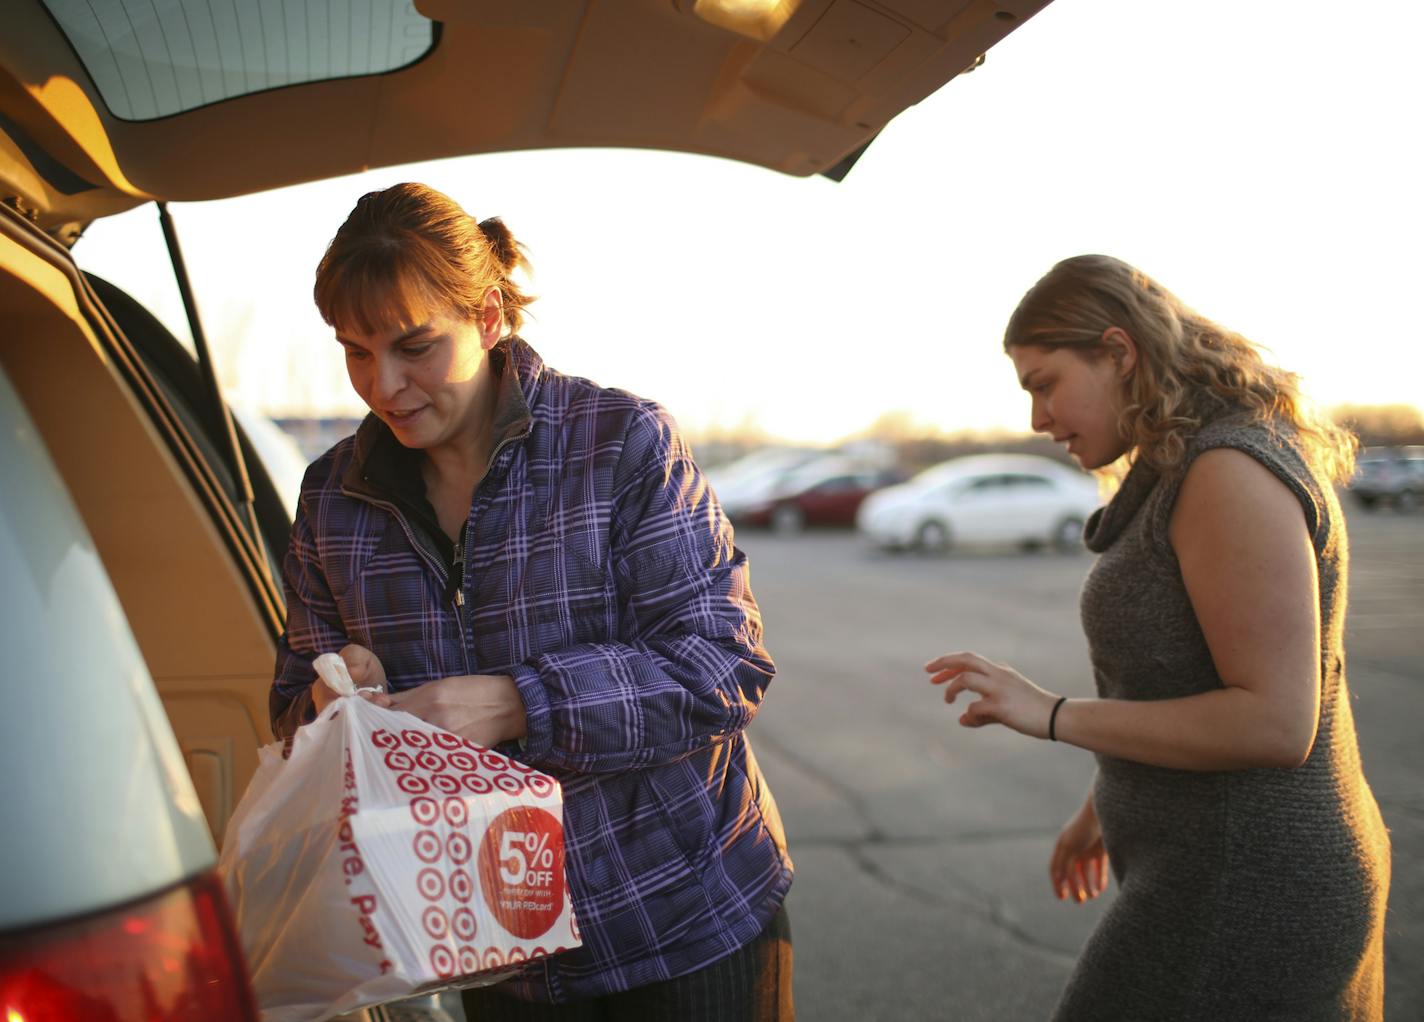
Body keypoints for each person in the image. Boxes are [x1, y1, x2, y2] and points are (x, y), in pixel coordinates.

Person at [269, 182, 794, 1019]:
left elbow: (722, 668)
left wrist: (521, 701)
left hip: (683, 920)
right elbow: (292, 708)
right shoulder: (334, 496)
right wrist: (333, 702)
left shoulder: (620, 442)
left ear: (485, 316)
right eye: (356, 352)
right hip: (495, 952)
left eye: (413, 346)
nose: (385, 385)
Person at [924, 255, 1390, 1020]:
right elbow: (1182, 679)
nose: (1037, 419)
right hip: (1208, 869)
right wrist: (1103, 803)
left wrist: (1050, 712)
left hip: (1250, 889)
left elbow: (1274, 723)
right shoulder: (1186, 462)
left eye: (1045, 384)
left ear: (1119, 352)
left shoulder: (1228, 469)